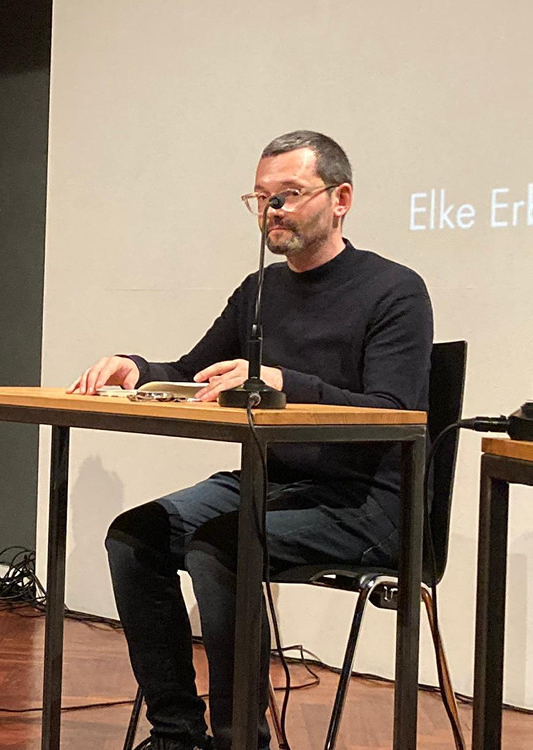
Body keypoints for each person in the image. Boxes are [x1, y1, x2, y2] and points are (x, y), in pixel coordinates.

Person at [69, 131, 433, 750]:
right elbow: (194, 372)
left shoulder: (394, 290)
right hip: (275, 483)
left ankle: (241, 741)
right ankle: (177, 736)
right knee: (135, 537)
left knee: (222, 545)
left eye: (288, 195)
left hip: (369, 501)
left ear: (341, 199)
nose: (272, 211)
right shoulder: (259, 290)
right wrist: (138, 368)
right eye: (261, 198)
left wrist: (285, 382)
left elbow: (395, 414)